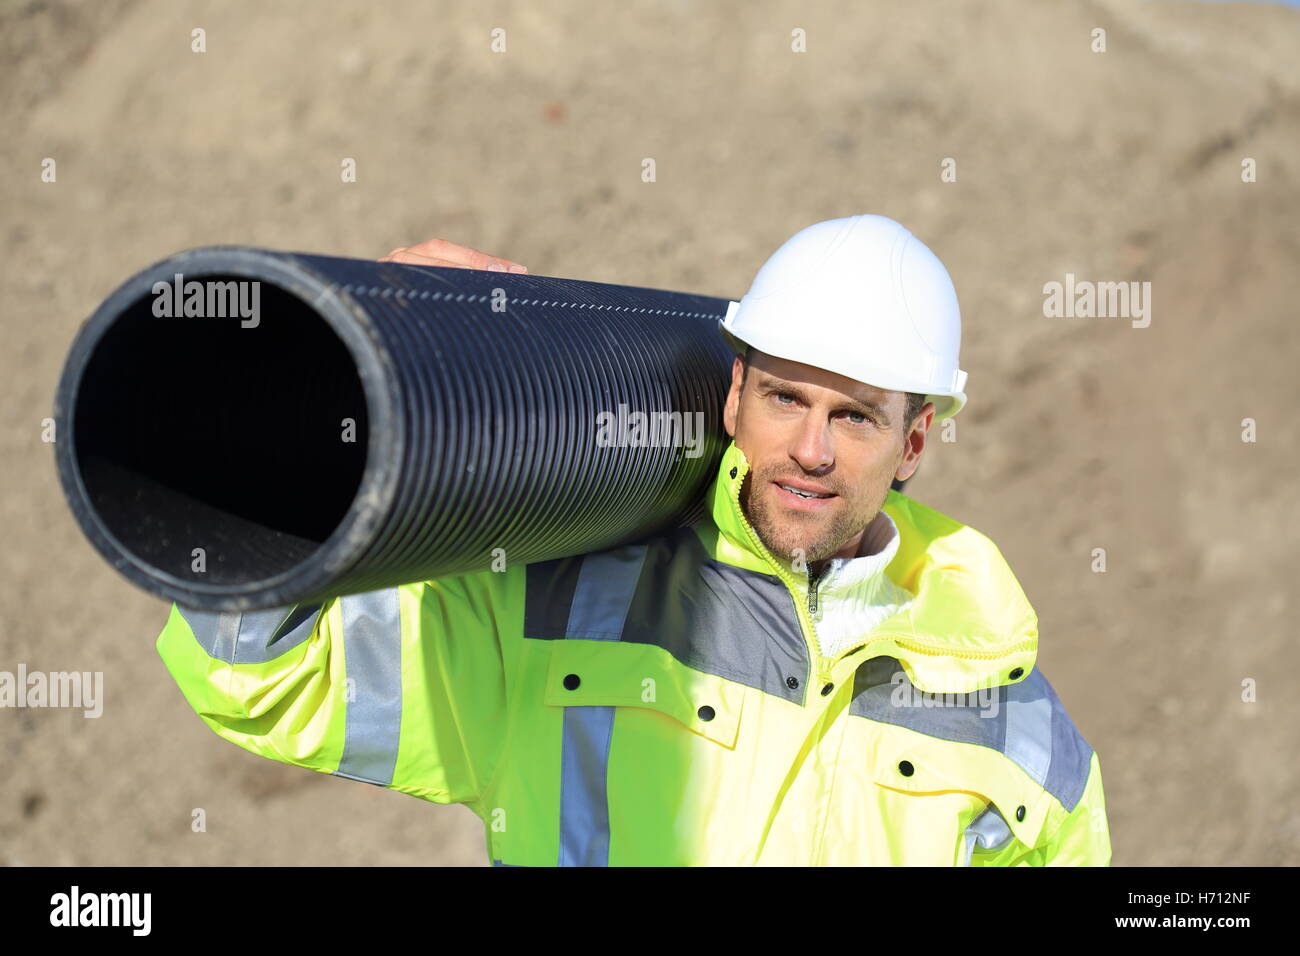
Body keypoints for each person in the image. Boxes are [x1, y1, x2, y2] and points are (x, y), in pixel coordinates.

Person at [156, 215, 1111, 866]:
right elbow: (267, 677)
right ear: (734, 397)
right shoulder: (559, 608)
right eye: (784, 397)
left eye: (855, 417)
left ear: (912, 443)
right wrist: (328, 397)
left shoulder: (1017, 737)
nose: (811, 450)